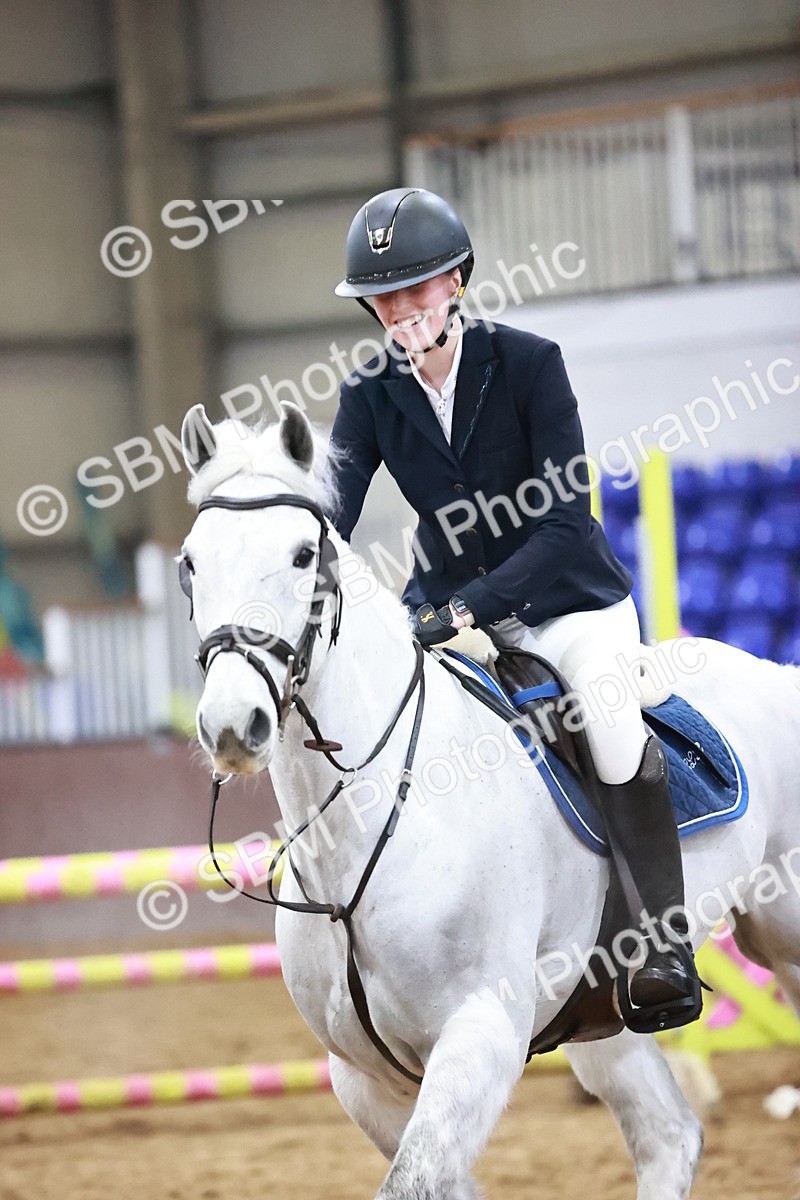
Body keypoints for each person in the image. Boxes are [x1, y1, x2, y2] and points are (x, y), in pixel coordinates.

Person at [329, 186, 699, 1022]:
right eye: (384, 297)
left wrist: (470, 609)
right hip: (449, 611)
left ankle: (661, 946)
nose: (400, 310)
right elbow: (331, 519)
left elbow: (569, 523)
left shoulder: (530, 363)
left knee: (608, 724)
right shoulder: (368, 396)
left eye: (417, 289)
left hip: (569, 603)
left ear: (456, 281)